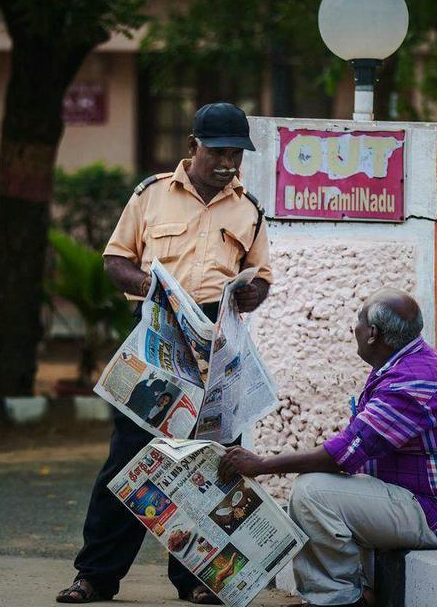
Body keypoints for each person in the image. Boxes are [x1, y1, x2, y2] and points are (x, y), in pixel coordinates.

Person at [57, 103, 273, 604]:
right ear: (193, 145)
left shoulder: (250, 209)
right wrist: (149, 289)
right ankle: (95, 576)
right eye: (218, 151)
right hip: (157, 346)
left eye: (235, 153)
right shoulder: (150, 195)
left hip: (218, 355)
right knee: (129, 462)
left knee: (212, 468)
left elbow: (260, 277)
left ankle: (197, 580)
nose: (227, 162)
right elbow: (116, 260)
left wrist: (251, 293)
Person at [218, 288, 437, 607]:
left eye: (359, 319)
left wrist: (261, 465)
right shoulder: (407, 363)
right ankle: (356, 588)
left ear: (372, 334)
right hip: (407, 496)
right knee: (313, 498)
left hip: (435, 514)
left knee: (312, 493)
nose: (353, 327)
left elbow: (341, 455)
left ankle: (336, 599)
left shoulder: (412, 382)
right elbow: (356, 448)